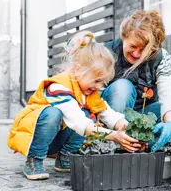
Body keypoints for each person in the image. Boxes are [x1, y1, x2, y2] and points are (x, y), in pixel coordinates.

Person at [7, 31, 141, 180]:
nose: (99, 86)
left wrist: (126, 127)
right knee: (54, 114)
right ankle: (34, 160)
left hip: (54, 139)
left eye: (103, 82)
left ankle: (65, 159)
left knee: (84, 113)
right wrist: (114, 136)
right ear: (78, 70)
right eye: (97, 81)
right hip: (33, 137)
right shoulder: (58, 87)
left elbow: (107, 113)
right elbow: (81, 124)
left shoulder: (87, 91)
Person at [103, 9, 171, 153]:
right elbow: (93, 97)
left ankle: (140, 143)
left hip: (141, 115)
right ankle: (114, 141)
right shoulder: (106, 54)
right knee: (122, 87)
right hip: (110, 116)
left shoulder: (160, 57)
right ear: (123, 36)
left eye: (144, 50)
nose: (137, 54)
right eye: (133, 46)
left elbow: (167, 93)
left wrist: (170, 122)